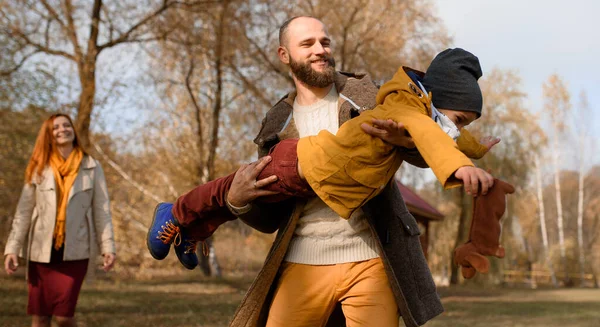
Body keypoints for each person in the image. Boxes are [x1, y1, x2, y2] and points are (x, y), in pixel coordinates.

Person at [151, 16, 496, 327]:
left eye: (325, 41)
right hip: (302, 256)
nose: (320, 49)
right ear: (285, 55)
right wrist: (237, 201)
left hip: (371, 260)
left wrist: (471, 150)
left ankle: (188, 226)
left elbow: (429, 135)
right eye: (308, 43)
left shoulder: (369, 96)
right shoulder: (277, 121)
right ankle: (181, 216)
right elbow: (267, 214)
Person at [146, 49, 499, 271]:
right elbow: (431, 136)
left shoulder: (431, 113)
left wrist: (476, 148)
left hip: (316, 177)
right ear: (437, 100)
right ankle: (175, 212)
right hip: (300, 163)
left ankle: (191, 229)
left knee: (242, 197)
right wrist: (461, 166)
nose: (458, 130)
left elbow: (445, 134)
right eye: (460, 121)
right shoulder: (410, 109)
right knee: (234, 187)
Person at [4, 113, 116, 327]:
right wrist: (12, 248)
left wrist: (108, 247)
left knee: (64, 316)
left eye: (66, 125)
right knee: (40, 315)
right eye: (56, 127)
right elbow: (24, 211)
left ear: (73, 131)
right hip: (41, 251)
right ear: (49, 134)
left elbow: (102, 211)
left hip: (75, 251)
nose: (62, 130)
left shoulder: (92, 166)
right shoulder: (38, 167)